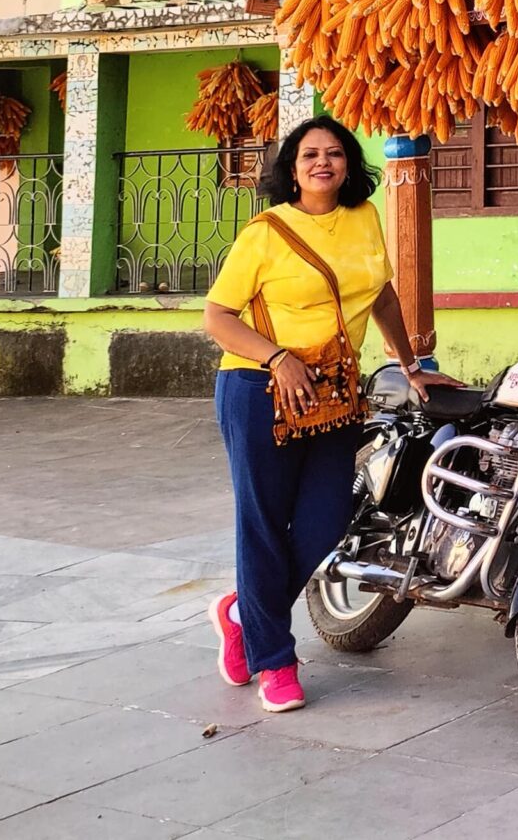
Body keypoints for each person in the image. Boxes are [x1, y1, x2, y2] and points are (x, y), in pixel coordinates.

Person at [201, 116, 447, 712]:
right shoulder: (265, 232)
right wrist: (278, 356)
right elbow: (218, 317)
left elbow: (382, 294)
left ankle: (242, 612)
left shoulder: (364, 218)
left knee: (328, 518)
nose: (322, 163)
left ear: (348, 164)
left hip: (333, 392)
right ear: (291, 167)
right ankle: (276, 662)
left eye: (334, 153)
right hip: (259, 390)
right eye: (310, 154)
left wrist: (411, 364)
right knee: (264, 525)